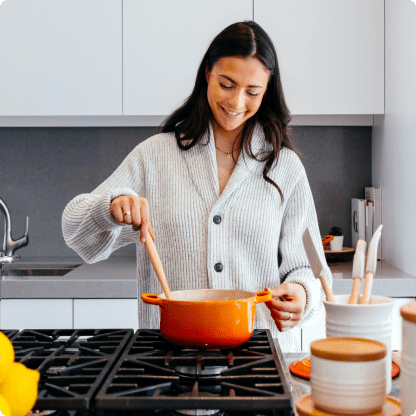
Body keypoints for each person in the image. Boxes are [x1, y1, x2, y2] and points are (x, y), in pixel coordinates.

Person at [62, 21, 332, 352]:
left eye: (252, 92)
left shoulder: (284, 167)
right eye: (227, 84)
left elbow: (311, 269)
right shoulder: (156, 156)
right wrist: (110, 207)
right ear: (207, 72)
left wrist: (302, 294)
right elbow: (74, 229)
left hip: (259, 362)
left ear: (267, 90)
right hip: (167, 359)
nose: (236, 102)